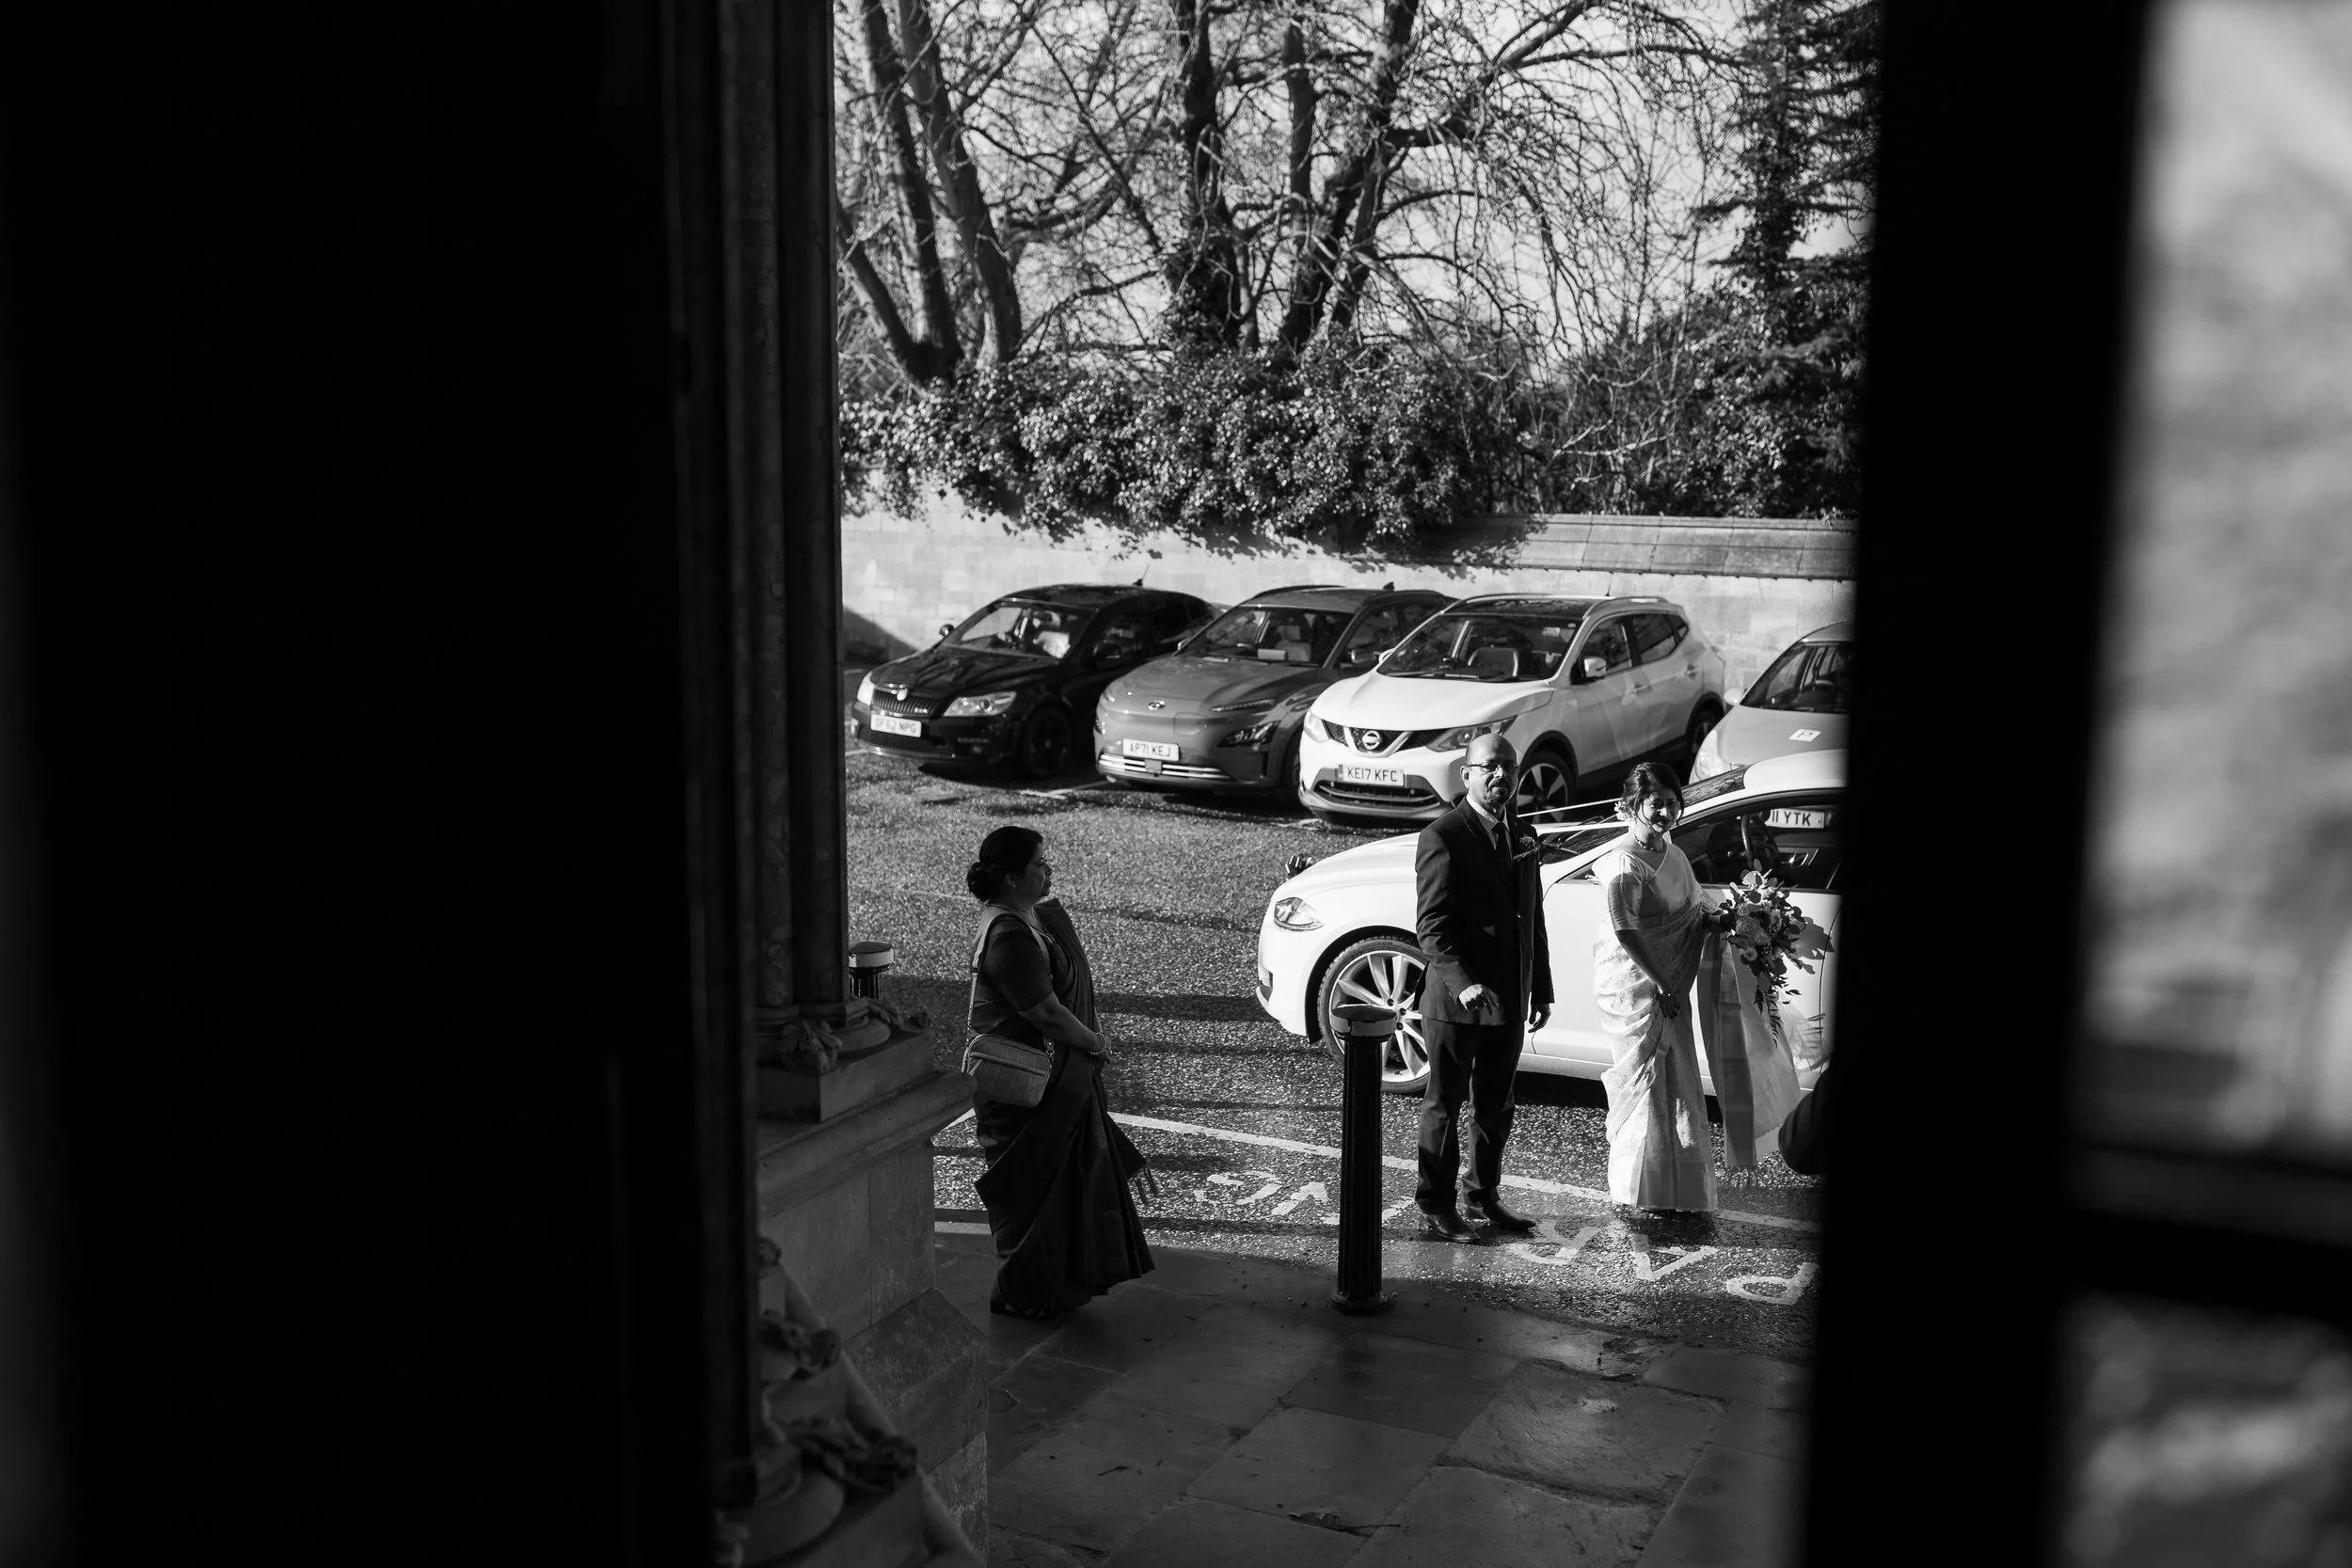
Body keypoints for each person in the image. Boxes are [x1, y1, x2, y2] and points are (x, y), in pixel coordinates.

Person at [964, 826, 1157, 1319]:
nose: (1048, 870)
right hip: (1024, 1092)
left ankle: (1045, 1289)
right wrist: (1095, 1043)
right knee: (1030, 1198)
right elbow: (1044, 1013)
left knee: (1050, 1197)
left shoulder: (1029, 920)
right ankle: (1019, 1292)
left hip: (1048, 1083)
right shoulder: (1009, 935)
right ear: (1011, 878)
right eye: (1039, 864)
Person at [1412, 733, 1553, 1243]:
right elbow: (1432, 928)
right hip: (1455, 1002)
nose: (1501, 776)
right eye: (1490, 767)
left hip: (1509, 997)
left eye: (1509, 767)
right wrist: (1464, 984)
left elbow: (1531, 919)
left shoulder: (1525, 834)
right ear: (1467, 774)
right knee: (1445, 1104)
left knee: (1496, 1102)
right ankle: (1435, 1202)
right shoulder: (1443, 837)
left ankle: (1482, 1193)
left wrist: (1540, 987)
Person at [1592, 763, 1719, 1212]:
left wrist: (1723, 921)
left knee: (1678, 1083)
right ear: (1633, 806)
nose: (1665, 811)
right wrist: (1666, 985)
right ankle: (1636, 1187)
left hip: (1671, 984)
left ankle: (1676, 1185)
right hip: (1641, 991)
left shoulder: (1672, 851)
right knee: (1645, 1088)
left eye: (1671, 802)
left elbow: (1695, 903)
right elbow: (1625, 930)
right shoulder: (1623, 862)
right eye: (1655, 803)